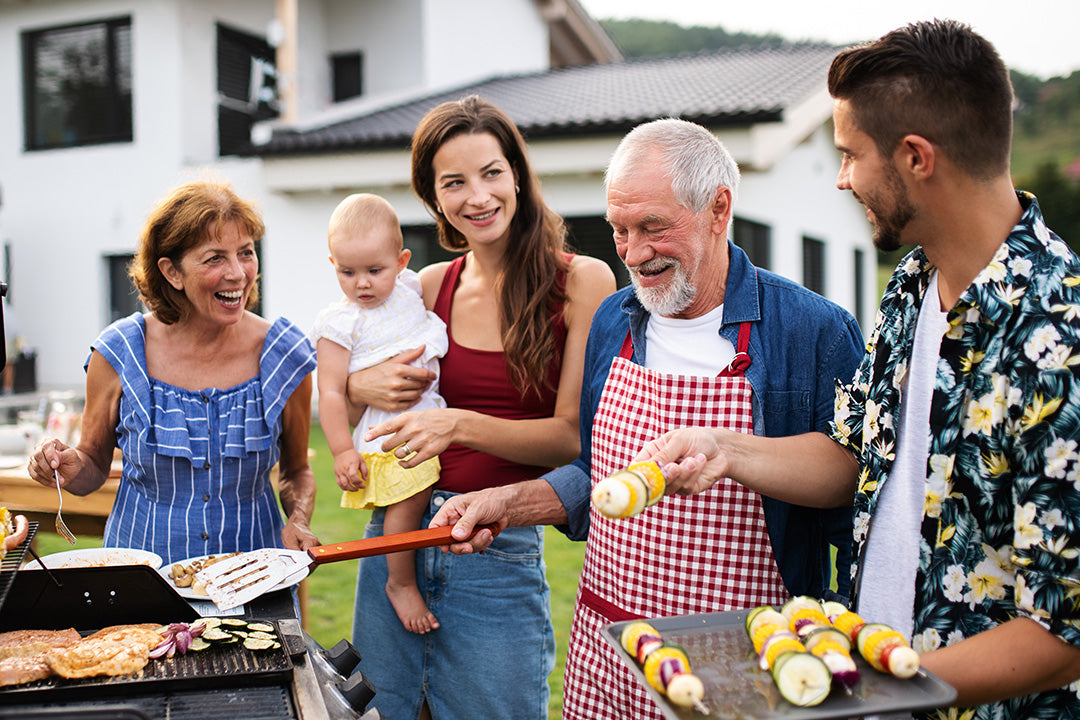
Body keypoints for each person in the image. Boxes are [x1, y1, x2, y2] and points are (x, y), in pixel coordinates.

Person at [637, 20, 1080, 720]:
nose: (841, 179)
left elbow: (1065, 631)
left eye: (849, 155)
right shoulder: (909, 286)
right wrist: (725, 450)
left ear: (915, 158)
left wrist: (879, 688)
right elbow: (854, 459)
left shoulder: (1059, 334)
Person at [429, 117, 864, 719]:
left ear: (718, 209)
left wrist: (729, 451)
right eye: (619, 230)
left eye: (653, 227)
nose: (634, 253)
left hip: (744, 656)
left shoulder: (811, 330)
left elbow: (851, 478)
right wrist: (510, 503)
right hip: (613, 651)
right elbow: (597, 471)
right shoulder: (613, 319)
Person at [344, 96, 615, 720]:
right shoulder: (428, 286)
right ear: (434, 198)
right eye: (454, 182)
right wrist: (364, 389)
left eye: (492, 172)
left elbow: (574, 440)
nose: (478, 195)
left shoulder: (582, 281)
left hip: (496, 548)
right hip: (397, 538)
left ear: (516, 174)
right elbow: (344, 367)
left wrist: (458, 424)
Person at [27, 178, 319, 566]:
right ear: (172, 272)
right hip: (141, 580)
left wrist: (298, 518)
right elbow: (93, 464)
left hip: (253, 579)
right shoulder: (119, 352)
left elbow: (296, 471)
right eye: (215, 258)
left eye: (246, 253)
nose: (238, 273)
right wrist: (66, 466)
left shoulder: (284, 354)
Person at [313, 192, 448, 634]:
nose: (362, 284)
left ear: (402, 260)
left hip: (428, 414)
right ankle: (399, 582)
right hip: (387, 429)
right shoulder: (340, 322)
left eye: (375, 270)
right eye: (347, 272)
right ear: (332, 263)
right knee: (406, 499)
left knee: (418, 497)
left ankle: (404, 577)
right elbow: (331, 391)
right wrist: (340, 452)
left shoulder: (410, 288)